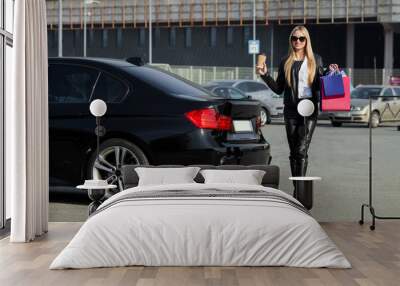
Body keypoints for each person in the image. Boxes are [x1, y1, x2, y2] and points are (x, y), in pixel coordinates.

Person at [256, 25, 339, 195]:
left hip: (309, 109)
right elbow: (279, 88)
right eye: (294, 38)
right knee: (294, 151)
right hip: (291, 110)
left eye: (301, 38)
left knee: (301, 150)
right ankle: (297, 190)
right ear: (291, 41)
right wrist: (265, 75)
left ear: (306, 40)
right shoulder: (286, 61)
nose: (298, 41)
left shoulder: (316, 59)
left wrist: (331, 74)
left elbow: (321, 82)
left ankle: (299, 192)